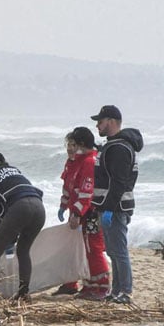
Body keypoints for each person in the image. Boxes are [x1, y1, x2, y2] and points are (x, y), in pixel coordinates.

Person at [90, 105, 144, 305]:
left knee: (119, 251)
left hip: (116, 208)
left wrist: (109, 209)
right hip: (110, 207)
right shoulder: (112, 145)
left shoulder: (119, 148)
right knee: (112, 251)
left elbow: (118, 182)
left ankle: (125, 292)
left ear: (111, 121)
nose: (97, 125)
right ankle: (116, 290)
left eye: (100, 121)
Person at [53, 127, 110, 301]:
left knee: (94, 248)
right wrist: (65, 205)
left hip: (90, 213)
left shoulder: (89, 162)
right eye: (68, 144)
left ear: (82, 144)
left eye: (73, 144)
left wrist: (77, 213)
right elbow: (69, 185)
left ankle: (102, 285)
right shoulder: (74, 161)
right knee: (80, 248)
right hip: (78, 211)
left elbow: (87, 191)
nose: (70, 148)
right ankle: (83, 284)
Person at [0, 154, 45, 302]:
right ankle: (23, 292)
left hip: (20, 207)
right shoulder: (14, 170)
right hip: (39, 207)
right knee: (23, 250)